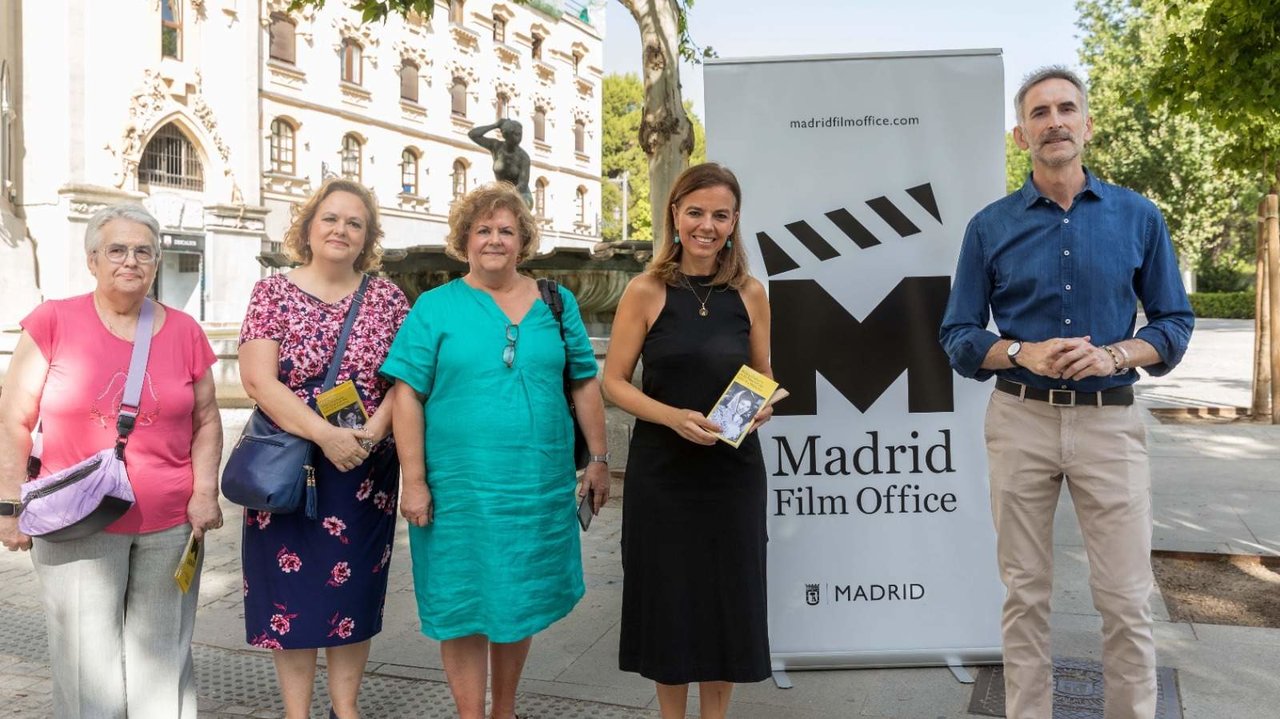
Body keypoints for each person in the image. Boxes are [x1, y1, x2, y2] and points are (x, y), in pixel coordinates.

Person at [939, 66, 1194, 719]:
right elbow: (959, 333)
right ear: (1020, 134)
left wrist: (1114, 351)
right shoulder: (988, 227)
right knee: (1025, 594)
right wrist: (1022, 350)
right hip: (1020, 417)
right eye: (1039, 112)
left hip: (1111, 421)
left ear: (1086, 123)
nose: (1054, 121)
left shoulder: (1139, 217)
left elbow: (1173, 323)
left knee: (1126, 596)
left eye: (1066, 108)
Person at [382, 182, 609, 719]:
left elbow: (584, 381)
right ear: (464, 240)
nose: (494, 239)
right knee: (462, 602)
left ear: (523, 241)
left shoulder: (558, 302)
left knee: (518, 597)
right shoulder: (435, 307)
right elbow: (406, 394)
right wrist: (412, 479)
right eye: (482, 230)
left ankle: (503, 711)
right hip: (456, 488)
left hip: (535, 483)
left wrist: (598, 459)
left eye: (506, 230)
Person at [0, 203, 223, 718]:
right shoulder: (54, 320)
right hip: (75, 522)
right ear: (92, 260)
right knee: (86, 667)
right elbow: (12, 419)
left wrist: (204, 492)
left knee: (164, 659)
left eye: (143, 251)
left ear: (157, 261)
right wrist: (10, 506)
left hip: (168, 522)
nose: (130, 261)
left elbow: (207, 419)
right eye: (116, 250)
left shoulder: (186, 330)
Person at [602, 162, 774, 719]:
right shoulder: (645, 289)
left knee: (729, 599)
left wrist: (761, 408)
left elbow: (762, 377)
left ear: (734, 221)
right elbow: (614, 382)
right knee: (669, 599)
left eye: (719, 215)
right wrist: (673, 417)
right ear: (675, 215)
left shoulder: (751, 293)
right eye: (695, 212)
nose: (707, 225)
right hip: (663, 472)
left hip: (732, 472)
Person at [235, 179, 409, 719]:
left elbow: (405, 380)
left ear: (367, 237)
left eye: (354, 223)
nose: (341, 230)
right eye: (330, 218)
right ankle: (296, 713)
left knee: (354, 588)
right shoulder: (272, 293)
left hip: (364, 470)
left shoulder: (388, 298)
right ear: (308, 227)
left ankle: (346, 709)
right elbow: (260, 381)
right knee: (289, 589)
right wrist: (326, 433)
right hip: (289, 462)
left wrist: (375, 433)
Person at [468, 119, 533, 206]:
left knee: (514, 206)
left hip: (521, 195)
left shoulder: (524, 157)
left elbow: (523, 185)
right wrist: (495, 125)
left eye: (520, 134)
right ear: (506, 134)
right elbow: (473, 134)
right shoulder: (496, 146)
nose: (519, 138)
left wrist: (505, 195)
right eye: (516, 134)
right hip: (501, 193)